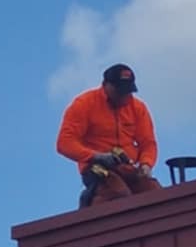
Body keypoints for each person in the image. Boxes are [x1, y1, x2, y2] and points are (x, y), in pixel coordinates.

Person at [56, 64, 161, 206]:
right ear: (106, 85)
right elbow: (64, 143)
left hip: (128, 168)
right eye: (120, 91)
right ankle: (90, 206)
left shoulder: (138, 108)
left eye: (128, 91)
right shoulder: (84, 104)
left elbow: (148, 143)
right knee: (118, 195)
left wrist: (146, 164)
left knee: (156, 194)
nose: (124, 97)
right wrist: (96, 156)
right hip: (97, 169)